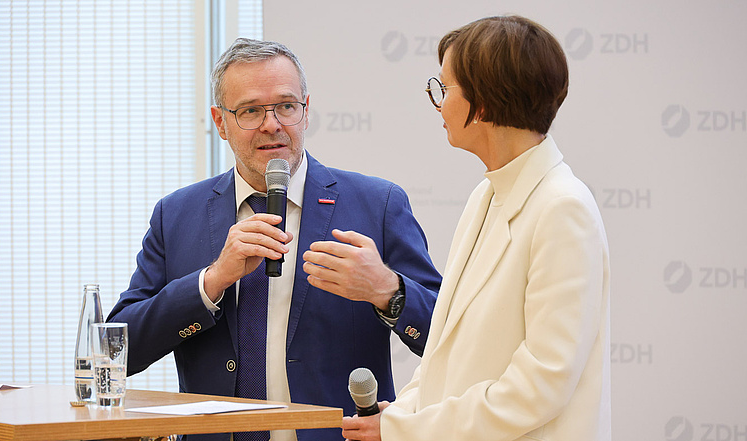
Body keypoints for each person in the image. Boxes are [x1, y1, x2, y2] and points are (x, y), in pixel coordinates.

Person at [107, 38, 441, 441]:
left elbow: (450, 338)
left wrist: (388, 290)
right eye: (250, 110)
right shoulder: (176, 214)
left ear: (305, 109)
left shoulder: (377, 204)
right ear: (220, 121)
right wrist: (211, 281)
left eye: (286, 106)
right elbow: (117, 353)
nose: (272, 124)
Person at [340, 15, 611, 441]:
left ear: (482, 105)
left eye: (444, 89)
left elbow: (541, 385)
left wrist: (408, 429)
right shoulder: (486, 196)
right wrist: (406, 412)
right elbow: (449, 351)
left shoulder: (563, 208)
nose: (438, 103)